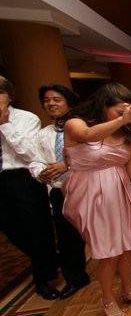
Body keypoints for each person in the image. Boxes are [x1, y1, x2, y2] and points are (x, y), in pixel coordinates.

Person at [62, 83, 131, 316]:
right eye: (119, 111)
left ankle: (128, 290)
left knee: (127, 246)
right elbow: (88, 136)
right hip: (90, 193)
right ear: (103, 106)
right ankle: (107, 298)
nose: (125, 116)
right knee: (108, 251)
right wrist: (123, 119)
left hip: (120, 192)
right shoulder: (76, 123)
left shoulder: (126, 135)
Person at [0, 76, 60, 300]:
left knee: (37, 229)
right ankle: (48, 258)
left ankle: (43, 279)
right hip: (1, 180)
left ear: (9, 95)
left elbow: (30, 153)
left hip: (23, 178)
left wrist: (4, 123)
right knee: (11, 229)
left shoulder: (26, 118)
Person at [29, 84, 90, 299]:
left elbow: (95, 154)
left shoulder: (83, 128)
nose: (51, 103)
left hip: (85, 187)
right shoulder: (43, 134)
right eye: (47, 100)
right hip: (58, 190)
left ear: (69, 102)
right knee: (67, 238)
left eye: (57, 99)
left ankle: (128, 264)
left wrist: (66, 165)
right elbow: (35, 160)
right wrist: (41, 172)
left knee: (101, 227)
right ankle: (76, 278)